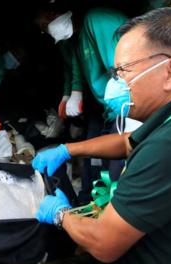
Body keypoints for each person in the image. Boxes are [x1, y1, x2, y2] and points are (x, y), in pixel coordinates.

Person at [33, 8, 171, 264]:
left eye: (123, 71)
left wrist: (60, 214)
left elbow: (104, 243)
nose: (115, 84)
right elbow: (127, 142)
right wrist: (67, 149)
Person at [36, 4, 128, 203]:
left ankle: (108, 214)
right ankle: (91, 201)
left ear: (55, 12)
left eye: (45, 24)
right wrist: (71, 94)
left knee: (117, 173)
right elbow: (75, 68)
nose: (46, 30)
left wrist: (125, 107)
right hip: (108, 109)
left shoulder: (97, 19)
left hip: (126, 107)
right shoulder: (75, 38)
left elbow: (122, 68)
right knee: (104, 165)